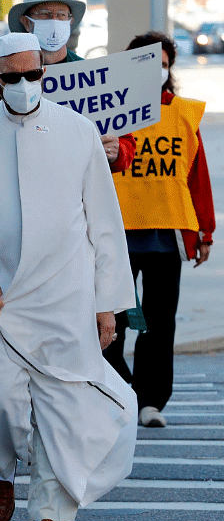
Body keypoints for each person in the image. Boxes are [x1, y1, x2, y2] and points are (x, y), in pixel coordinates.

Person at [0, 32, 138, 521]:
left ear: (45, 71)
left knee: (60, 411)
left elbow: (104, 226)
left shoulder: (79, 131)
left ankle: (49, 514)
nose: (25, 85)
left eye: (33, 74)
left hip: (67, 297)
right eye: (13, 77)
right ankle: (1, 469)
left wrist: (106, 305)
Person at [107, 31, 214, 428]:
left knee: (159, 321)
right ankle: (120, 389)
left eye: (163, 63)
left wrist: (205, 232)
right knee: (110, 322)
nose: (157, 70)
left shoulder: (184, 114)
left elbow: (197, 177)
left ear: (170, 68)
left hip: (166, 237)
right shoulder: (110, 112)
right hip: (115, 234)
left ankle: (150, 401)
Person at [0, 0, 137, 173]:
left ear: (70, 21)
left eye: (61, 15)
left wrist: (116, 152)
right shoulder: (3, 77)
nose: (55, 21)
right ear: (26, 22)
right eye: (45, 15)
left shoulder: (93, 75)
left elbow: (126, 143)